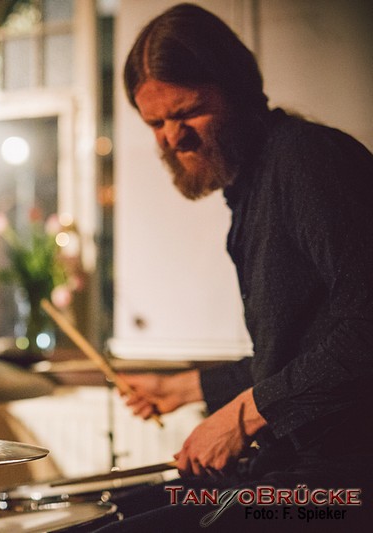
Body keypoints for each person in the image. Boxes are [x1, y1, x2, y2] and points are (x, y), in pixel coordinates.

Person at [95, 3, 373, 531]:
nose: (172, 137)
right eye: (155, 122)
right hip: (297, 474)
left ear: (239, 91)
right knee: (114, 514)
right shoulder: (252, 190)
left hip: (340, 488)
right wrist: (183, 388)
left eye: (188, 112)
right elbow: (301, 355)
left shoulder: (309, 160)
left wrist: (244, 416)